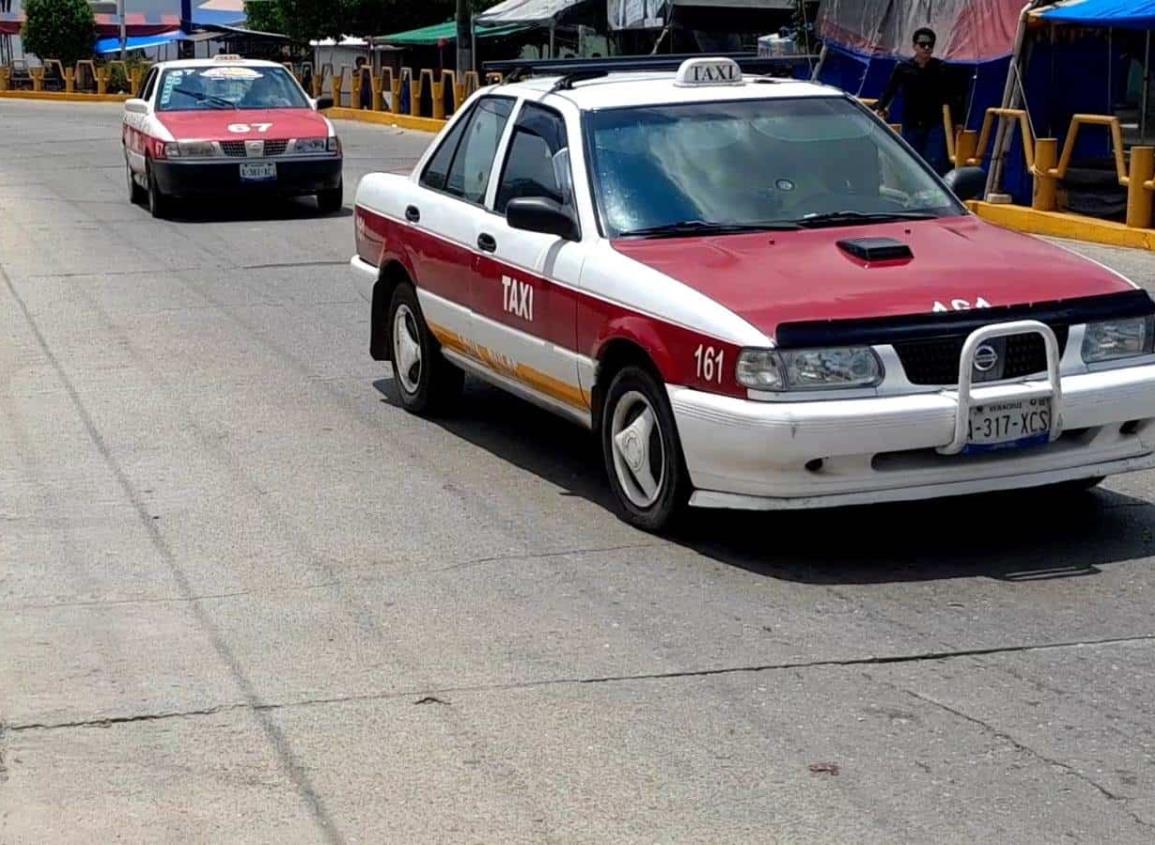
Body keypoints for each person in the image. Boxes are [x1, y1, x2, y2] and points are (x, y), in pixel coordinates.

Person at [873, 28, 962, 175]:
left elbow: (953, 96)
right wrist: (881, 107)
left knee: (932, 161)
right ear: (915, 46)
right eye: (923, 44)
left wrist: (958, 120)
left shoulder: (941, 68)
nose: (927, 48)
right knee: (912, 160)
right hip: (912, 122)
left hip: (934, 123)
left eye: (930, 45)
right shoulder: (903, 68)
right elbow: (890, 89)